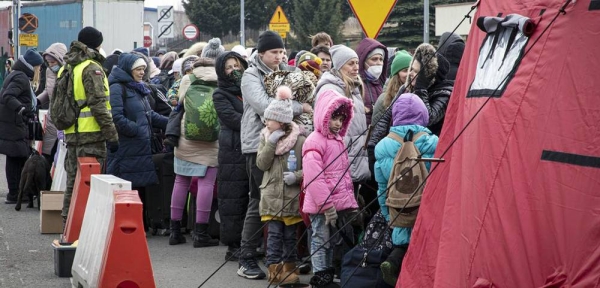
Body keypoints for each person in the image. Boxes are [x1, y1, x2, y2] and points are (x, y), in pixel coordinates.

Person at [238, 30, 310, 280]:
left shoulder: (289, 73)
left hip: (289, 143)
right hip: (258, 143)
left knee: (287, 200)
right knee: (258, 198)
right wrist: (301, 107)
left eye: (281, 51)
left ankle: (285, 260)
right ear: (261, 54)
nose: (279, 56)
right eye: (274, 52)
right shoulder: (250, 74)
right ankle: (246, 256)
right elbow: (266, 106)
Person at [374, 93, 438, 286]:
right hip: (426, 211)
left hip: (399, 210)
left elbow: (382, 188)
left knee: (403, 247)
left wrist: (389, 217)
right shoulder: (433, 142)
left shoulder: (383, 145)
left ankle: (395, 263)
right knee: (425, 258)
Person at [60, 27, 118, 220]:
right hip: (92, 136)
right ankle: (87, 229)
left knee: (73, 183)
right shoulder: (92, 68)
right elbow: (99, 105)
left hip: (72, 134)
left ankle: (68, 225)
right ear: (98, 44)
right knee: (92, 185)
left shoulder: (68, 66)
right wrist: (112, 135)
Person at [302, 89, 358, 288]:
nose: (338, 123)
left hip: (337, 204)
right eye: (334, 117)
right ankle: (321, 275)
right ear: (323, 115)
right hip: (322, 205)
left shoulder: (337, 140)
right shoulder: (314, 141)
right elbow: (314, 178)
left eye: (342, 118)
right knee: (320, 239)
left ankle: (330, 273)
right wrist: (327, 206)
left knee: (334, 241)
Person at [106, 53, 168, 228]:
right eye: (138, 69)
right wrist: (137, 130)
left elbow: (149, 115)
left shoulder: (136, 87)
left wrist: (171, 123)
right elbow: (116, 117)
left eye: (143, 69)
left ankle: (138, 226)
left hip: (139, 148)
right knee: (127, 190)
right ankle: (127, 227)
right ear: (128, 69)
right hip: (127, 148)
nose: (142, 73)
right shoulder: (118, 88)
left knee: (137, 188)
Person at [168, 57, 220, 248]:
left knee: (181, 181)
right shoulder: (220, 80)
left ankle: (175, 232)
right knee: (206, 183)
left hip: (186, 136)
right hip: (212, 137)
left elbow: (176, 101)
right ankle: (201, 234)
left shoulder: (186, 79)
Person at [256, 86, 306, 285]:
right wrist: (270, 144)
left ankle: (290, 270)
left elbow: (310, 168)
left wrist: (296, 176)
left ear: (282, 121)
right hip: (271, 196)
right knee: (274, 236)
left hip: (291, 197)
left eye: (269, 119)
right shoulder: (265, 137)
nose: (266, 122)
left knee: (290, 237)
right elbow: (261, 164)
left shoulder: (300, 140)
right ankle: (274, 269)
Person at [315, 44, 370, 193]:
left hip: (355, 156)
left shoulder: (354, 88)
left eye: (357, 63)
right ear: (339, 66)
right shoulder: (330, 90)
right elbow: (327, 129)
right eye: (351, 63)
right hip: (340, 159)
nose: (356, 67)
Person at [212, 51, 249, 260]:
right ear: (221, 71)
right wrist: (256, 121)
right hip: (232, 151)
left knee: (247, 198)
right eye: (229, 67)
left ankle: (248, 242)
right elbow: (232, 119)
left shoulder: (248, 89)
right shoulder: (220, 94)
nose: (234, 70)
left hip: (248, 148)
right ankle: (233, 246)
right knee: (232, 199)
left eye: (237, 66)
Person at [0, 49, 44, 204]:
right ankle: (15, 194)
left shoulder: (16, 73)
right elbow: (7, 96)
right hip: (15, 124)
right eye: (39, 67)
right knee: (16, 158)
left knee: (17, 158)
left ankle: (18, 193)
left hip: (11, 123)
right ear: (33, 66)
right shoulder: (21, 78)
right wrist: (22, 109)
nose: (39, 71)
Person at [368, 50, 412, 175]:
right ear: (396, 74)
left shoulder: (414, 94)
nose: (409, 74)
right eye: (405, 70)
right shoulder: (384, 99)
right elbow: (376, 130)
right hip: (388, 154)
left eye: (411, 69)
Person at [405, 43, 454, 136]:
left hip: (432, 146)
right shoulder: (408, 89)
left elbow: (429, 119)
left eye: (416, 71)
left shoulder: (445, 94)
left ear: (428, 76)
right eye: (411, 69)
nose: (410, 73)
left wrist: (421, 88)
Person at [37, 43, 68, 165]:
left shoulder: (68, 73)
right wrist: (37, 101)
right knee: (47, 155)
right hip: (51, 118)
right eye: (48, 62)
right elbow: (47, 91)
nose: (50, 65)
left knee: (61, 155)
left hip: (64, 118)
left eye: (53, 62)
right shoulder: (49, 72)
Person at [356, 38, 388, 127]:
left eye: (381, 59)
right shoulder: (356, 86)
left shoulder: (384, 85)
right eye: (374, 59)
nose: (378, 63)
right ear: (363, 61)